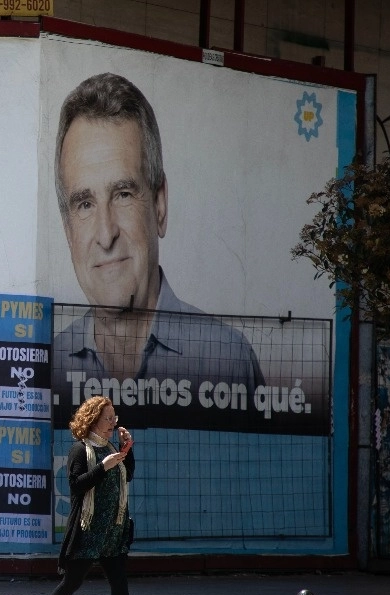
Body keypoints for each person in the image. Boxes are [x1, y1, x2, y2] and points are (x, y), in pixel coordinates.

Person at [52, 73, 264, 424]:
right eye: (84, 204)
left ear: (160, 206)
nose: (106, 235)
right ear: (68, 230)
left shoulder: (226, 361)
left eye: (123, 194)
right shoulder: (48, 368)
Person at [32, 395, 166, 595]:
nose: (113, 422)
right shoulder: (81, 450)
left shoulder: (110, 448)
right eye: (107, 418)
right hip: (88, 530)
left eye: (114, 417)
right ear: (92, 420)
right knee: (72, 582)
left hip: (112, 531)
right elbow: (76, 485)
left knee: (119, 584)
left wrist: (127, 448)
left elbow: (128, 475)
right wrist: (102, 468)